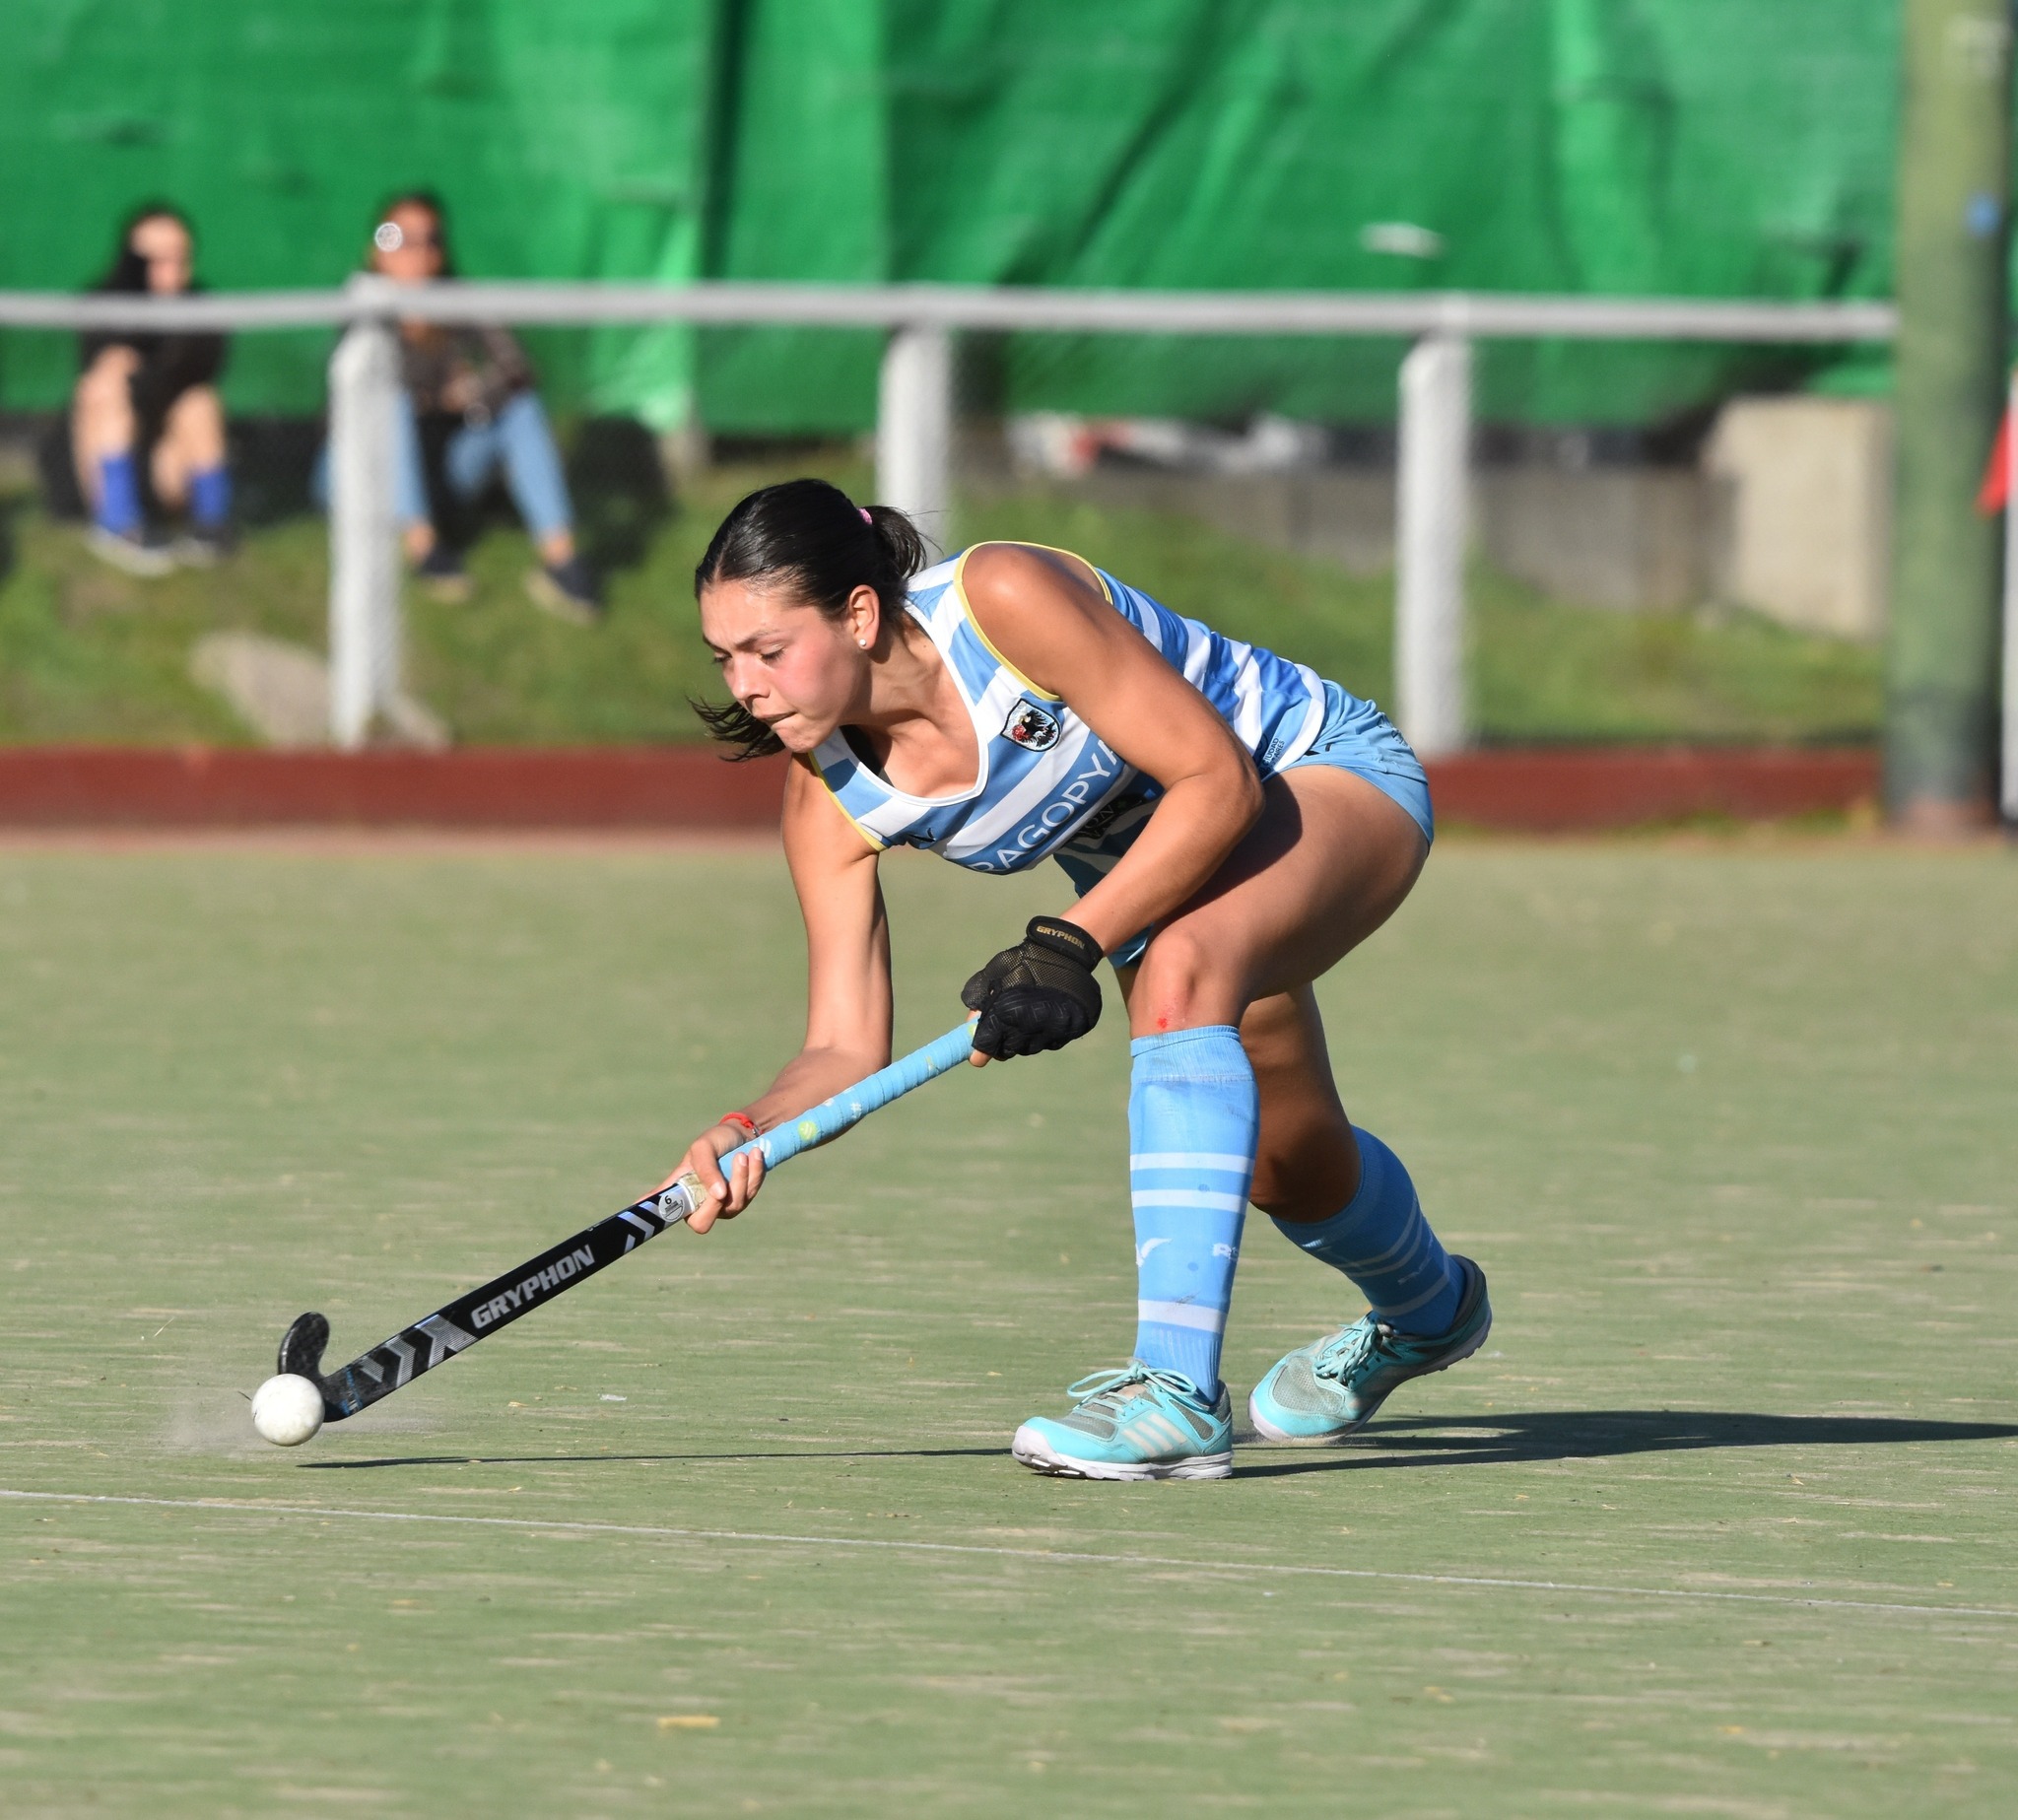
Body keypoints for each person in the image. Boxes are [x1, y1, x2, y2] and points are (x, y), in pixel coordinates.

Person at [665, 479, 1491, 1480]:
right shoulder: (829, 798)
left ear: (860, 611)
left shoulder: (1001, 600)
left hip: (1308, 776)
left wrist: (1068, 942)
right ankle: (1428, 1311)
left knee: (1178, 974)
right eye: (726, 657)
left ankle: (1175, 1395)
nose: (747, 684)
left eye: (768, 649)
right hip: (1162, 888)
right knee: (1288, 1164)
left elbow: (1215, 781)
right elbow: (842, 1042)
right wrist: (747, 1129)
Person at [367, 192, 600, 623]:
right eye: (397, 237)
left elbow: (517, 369)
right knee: (390, 400)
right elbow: (352, 411)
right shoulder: (362, 309)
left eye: (429, 238)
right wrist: (438, 398)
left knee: (521, 408)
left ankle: (562, 561)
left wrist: (472, 394)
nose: (415, 251)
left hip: (441, 468)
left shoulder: (458, 302)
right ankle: (423, 548)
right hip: (364, 478)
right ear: (376, 248)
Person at [71, 204, 233, 575]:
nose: (170, 270)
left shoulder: (200, 312)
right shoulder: (102, 305)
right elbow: (100, 389)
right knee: (103, 386)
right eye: (155, 260)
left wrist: (144, 370)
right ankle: (117, 523)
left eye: (180, 258)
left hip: (167, 466)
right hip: (100, 466)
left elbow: (190, 382)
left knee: (199, 402)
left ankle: (212, 525)